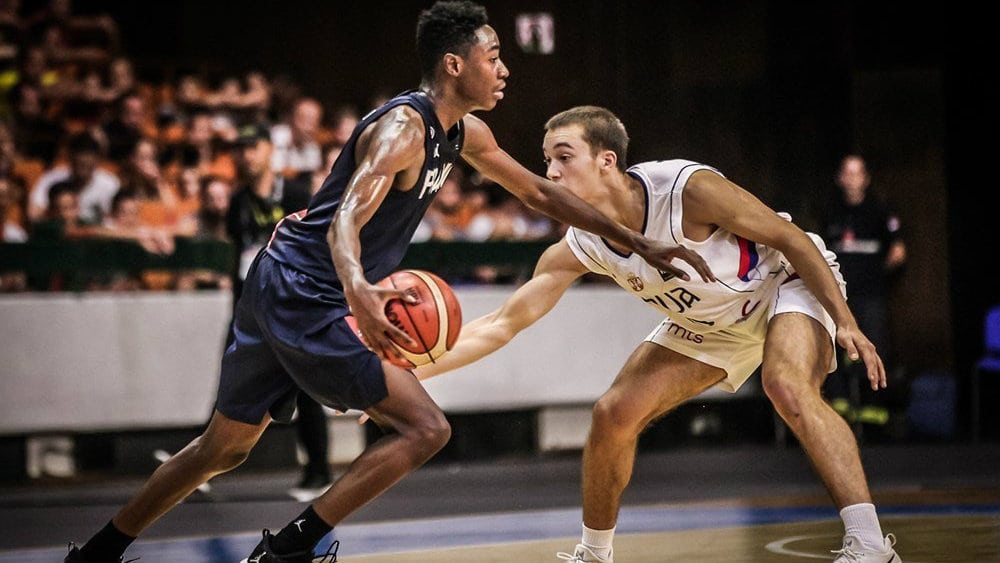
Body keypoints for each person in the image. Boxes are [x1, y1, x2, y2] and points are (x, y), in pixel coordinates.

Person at [62, 4, 709, 562]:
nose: (504, 67)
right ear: (454, 65)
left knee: (222, 447)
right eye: (493, 53)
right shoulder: (403, 130)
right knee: (425, 428)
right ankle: (290, 546)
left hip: (279, 276)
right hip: (308, 289)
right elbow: (346, 215)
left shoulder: (465, 133)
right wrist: (358, 291)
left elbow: (539, 191)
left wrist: (638, 239)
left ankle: (97, 552)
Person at [416, 106, 901, 563]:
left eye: (564, 157)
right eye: (547, 161)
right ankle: (595, 553)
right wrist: (402, 368)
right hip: (712, 322)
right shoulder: (582, 241)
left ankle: (870, 543)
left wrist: (845, 319)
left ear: (607, 161)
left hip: (784, 283)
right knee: (613, 412)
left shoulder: (687, 188)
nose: (552, 173)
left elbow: (791, 239)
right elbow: (501, 324)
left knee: (785, 383)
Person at [818, 154, 906, 426]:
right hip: (839, 296)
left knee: (873, 344)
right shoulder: (830, 210)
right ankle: (839, 404)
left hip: (871, 294)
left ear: (865, 178)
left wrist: (876, 274)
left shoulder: (879, 210)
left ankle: (873, 408)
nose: (852, 178)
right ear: (840, 178)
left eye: (857, 173)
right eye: (848, 172)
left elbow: (898, 251)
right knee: (833, 345)